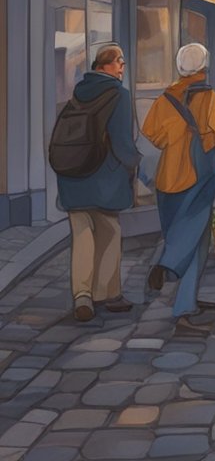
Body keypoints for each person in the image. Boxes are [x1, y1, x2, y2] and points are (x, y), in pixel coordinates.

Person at [142, 44, 215, 335]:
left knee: (179, 232)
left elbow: (152, 135)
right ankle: (181, 301)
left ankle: (182, 286)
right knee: (197, 240)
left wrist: (176, 144)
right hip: (198, 176)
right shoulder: (208, 98)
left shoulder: (166, 98)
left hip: (168, 178)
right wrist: (212, 161)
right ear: (204, 67)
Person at [52, 43, 141, 322]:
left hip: (72, 176)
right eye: (118, 62)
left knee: (81, 236)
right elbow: (123, 142)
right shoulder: (119, 95)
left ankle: (82, 296)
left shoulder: (77, 94)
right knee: (110, 233)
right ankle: (107, 293)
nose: (122, 68)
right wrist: (138, 165)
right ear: (104, 66)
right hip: (103, 177)